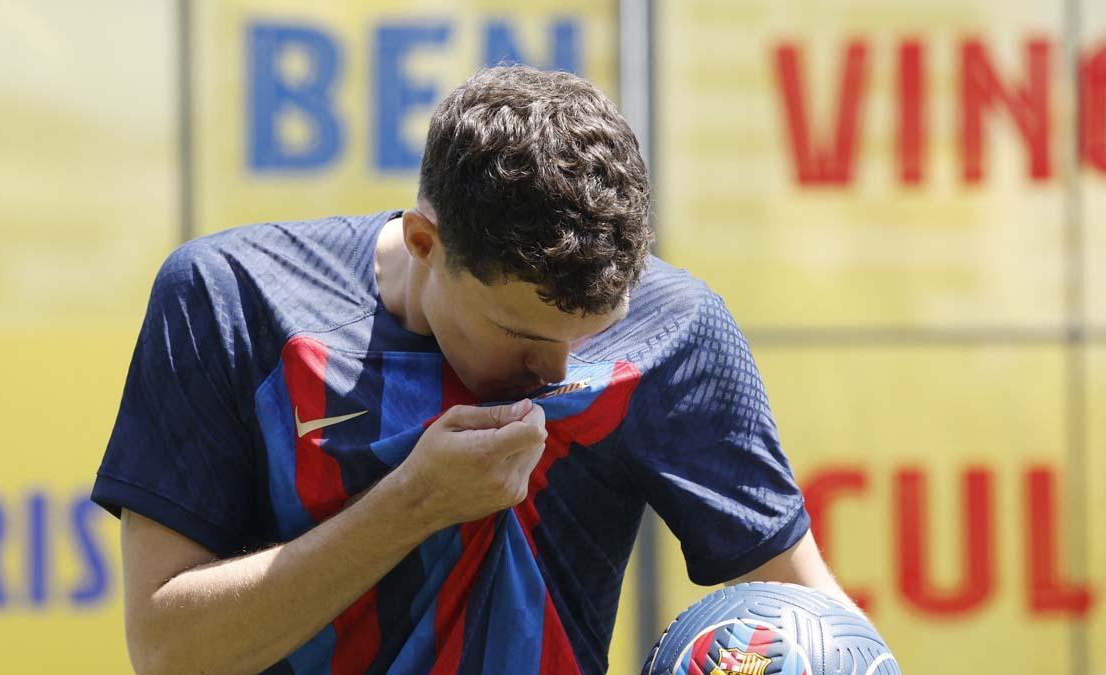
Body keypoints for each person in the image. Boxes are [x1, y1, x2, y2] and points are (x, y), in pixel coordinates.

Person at [92, 65, 852, 675]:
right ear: (426, 242)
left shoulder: (677, 329)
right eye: (521, 335)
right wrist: (416, 502)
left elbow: (816, 619)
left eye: (590, 335)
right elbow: (167, 651)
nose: (555, 369)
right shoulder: (229, 297)